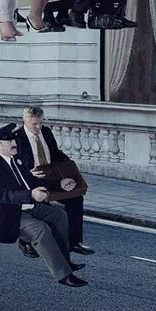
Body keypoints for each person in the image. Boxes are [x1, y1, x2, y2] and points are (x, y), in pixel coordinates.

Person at [0, 124, 87, 286]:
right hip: (8, 214)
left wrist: (60, 184)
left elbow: (34, 180)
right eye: (9, 141)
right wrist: (30, 194)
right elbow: (2, 195)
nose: (14, 142)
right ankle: (63, 275)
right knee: (40, 229)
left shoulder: (17, 160)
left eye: (13, 138)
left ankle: (64, 261)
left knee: (59, 215)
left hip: (27, 207)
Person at [13, 105, 92, 256]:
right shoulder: (17, 138)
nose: (38, 127)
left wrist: (71, 167)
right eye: (34, 124)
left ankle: (73, 242)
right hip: (32, 179)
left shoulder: (46, 132)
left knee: (76, 198)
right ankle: (26, 243)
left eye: (40, 123)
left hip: (51, 175)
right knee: (33, 207)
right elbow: (15, 165)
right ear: (25, 120)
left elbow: (55, 153)